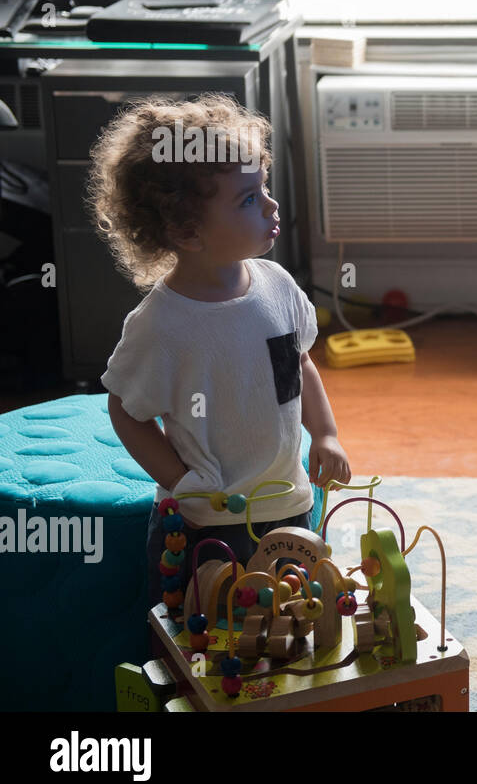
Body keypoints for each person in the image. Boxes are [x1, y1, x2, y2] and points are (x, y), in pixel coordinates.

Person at [89, 94, 351, 606]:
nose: (272, 205)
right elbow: (124, 408)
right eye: (249, 199)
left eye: (265, 188)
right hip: (208, 520)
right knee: (206, 636)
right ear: (187, 232)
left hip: (288, 500)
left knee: (289, 621)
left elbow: (298, 364)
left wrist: (326, 433)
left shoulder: (277, 287)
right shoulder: (160, 325)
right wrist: (181, 481)